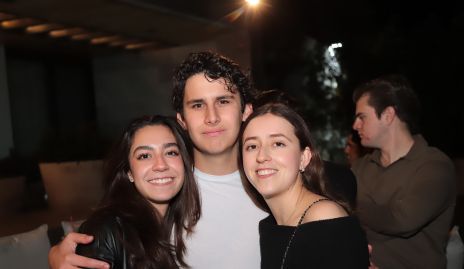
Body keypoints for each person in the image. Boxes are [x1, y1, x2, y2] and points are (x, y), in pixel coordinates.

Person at [49, 51, 267, 269]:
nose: (212, 117)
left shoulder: (271, 181)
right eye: (197, 105)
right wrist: (57, 255)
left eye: (223, 101)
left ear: (246, 110)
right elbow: (108, 232)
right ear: (182, 119)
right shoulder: (164, 186)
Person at [239, 102, 369, 268]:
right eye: (252, 146)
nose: (261, 156)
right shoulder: (271, 225)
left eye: (278, 144)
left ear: (304, 157)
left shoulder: (324, 218)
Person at [351, 75, 456, 268]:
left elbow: (402, 220)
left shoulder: (434, 165)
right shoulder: (360, 167)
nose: (355, 125)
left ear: (388, 115)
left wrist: (346, 201)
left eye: (361, 117)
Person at [74, 115, 201, 268]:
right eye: (144, 156)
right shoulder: (105, 230)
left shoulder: (181, 224)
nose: (160, 165)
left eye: (171, 152)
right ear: (129, 172)